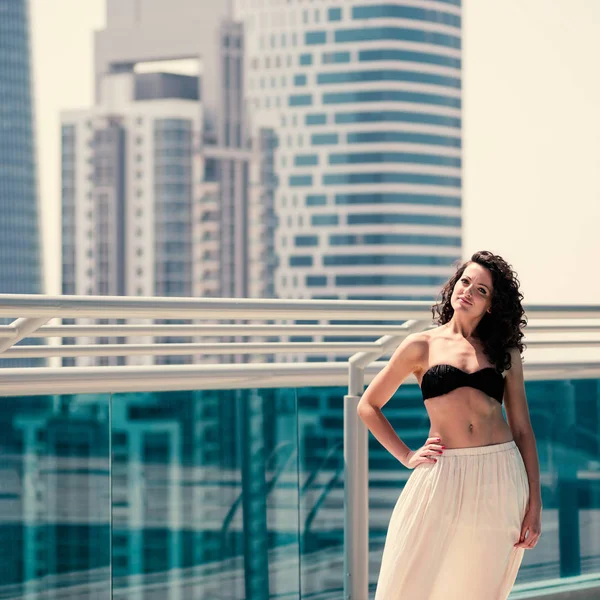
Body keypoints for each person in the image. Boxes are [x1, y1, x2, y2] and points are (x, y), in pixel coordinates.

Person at [357, 250, 542, 600]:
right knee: (408, 580)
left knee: (476, 588)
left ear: (491, 305)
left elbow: (522, 430)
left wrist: (535, 504)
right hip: (442, 473)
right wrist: (407, 456)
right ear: (453, 287)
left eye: (482, 290)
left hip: (500, 474)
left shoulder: (504, 352)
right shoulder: (420, 345)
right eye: (465, 281)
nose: (468, 291)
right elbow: (369, 406)